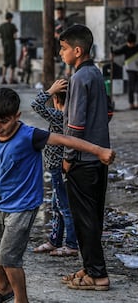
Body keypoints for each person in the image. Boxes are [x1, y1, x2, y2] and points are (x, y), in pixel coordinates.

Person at [0, 87, 115, 303]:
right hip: (1, 203)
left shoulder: (30, 136)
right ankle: (3, 288)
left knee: (9, 258)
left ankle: (21, 300)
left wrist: (99, 151)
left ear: (17, 116)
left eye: (3, 121)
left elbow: (65, 140)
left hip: (23, 206)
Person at [59, 24, 113, 291]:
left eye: (64, 48)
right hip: (98, 157)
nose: (61, 53)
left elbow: (76, 125)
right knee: (93, 217)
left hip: (83, 159)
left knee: (85, 220)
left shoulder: (80, 78)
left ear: (77, 51)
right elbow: (109, 111)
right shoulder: (95, 73)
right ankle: (90, 267)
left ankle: (98, 275)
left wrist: (68, 156)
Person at [31, 79, 78, 257]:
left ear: (56, 100)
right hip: (60, 168)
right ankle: (54, 240)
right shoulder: (72, 116)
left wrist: (50, 90)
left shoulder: (60, 117)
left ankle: (71, 244)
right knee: (57, 205)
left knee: (64, 206)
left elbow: (36, 104)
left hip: (58, 169)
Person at [111, 32, 138, 110]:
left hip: (137, 68)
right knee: (131, 87)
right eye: (129, 43)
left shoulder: (137, 47)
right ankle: (131, 104)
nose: (130, 45)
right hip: (130, 69)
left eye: (131, 43)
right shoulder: (125, 48)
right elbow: (116, 52)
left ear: (134, 42)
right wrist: (112, 54)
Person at [0, 12, 18, 85]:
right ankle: (11, 79)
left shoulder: (2, 26)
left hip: (5, 46)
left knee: (5, 62)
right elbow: (15, 36)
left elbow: (0, 36)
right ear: (10, 18)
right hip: (11, 45)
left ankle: (3, 78)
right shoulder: (12, 26)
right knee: (12, 63)